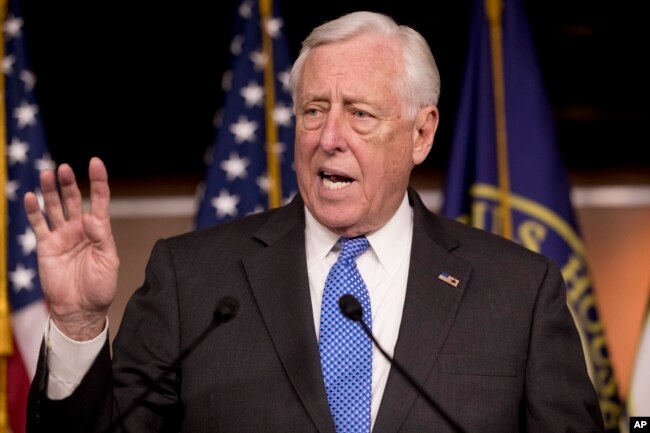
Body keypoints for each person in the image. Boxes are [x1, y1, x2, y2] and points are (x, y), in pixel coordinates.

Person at [25, 10, 604, 433]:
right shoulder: (192, 279)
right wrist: (77, 324)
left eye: (360, 114)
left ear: (421, 133)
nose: (330, 139)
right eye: (314, 112)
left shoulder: (520, 294)